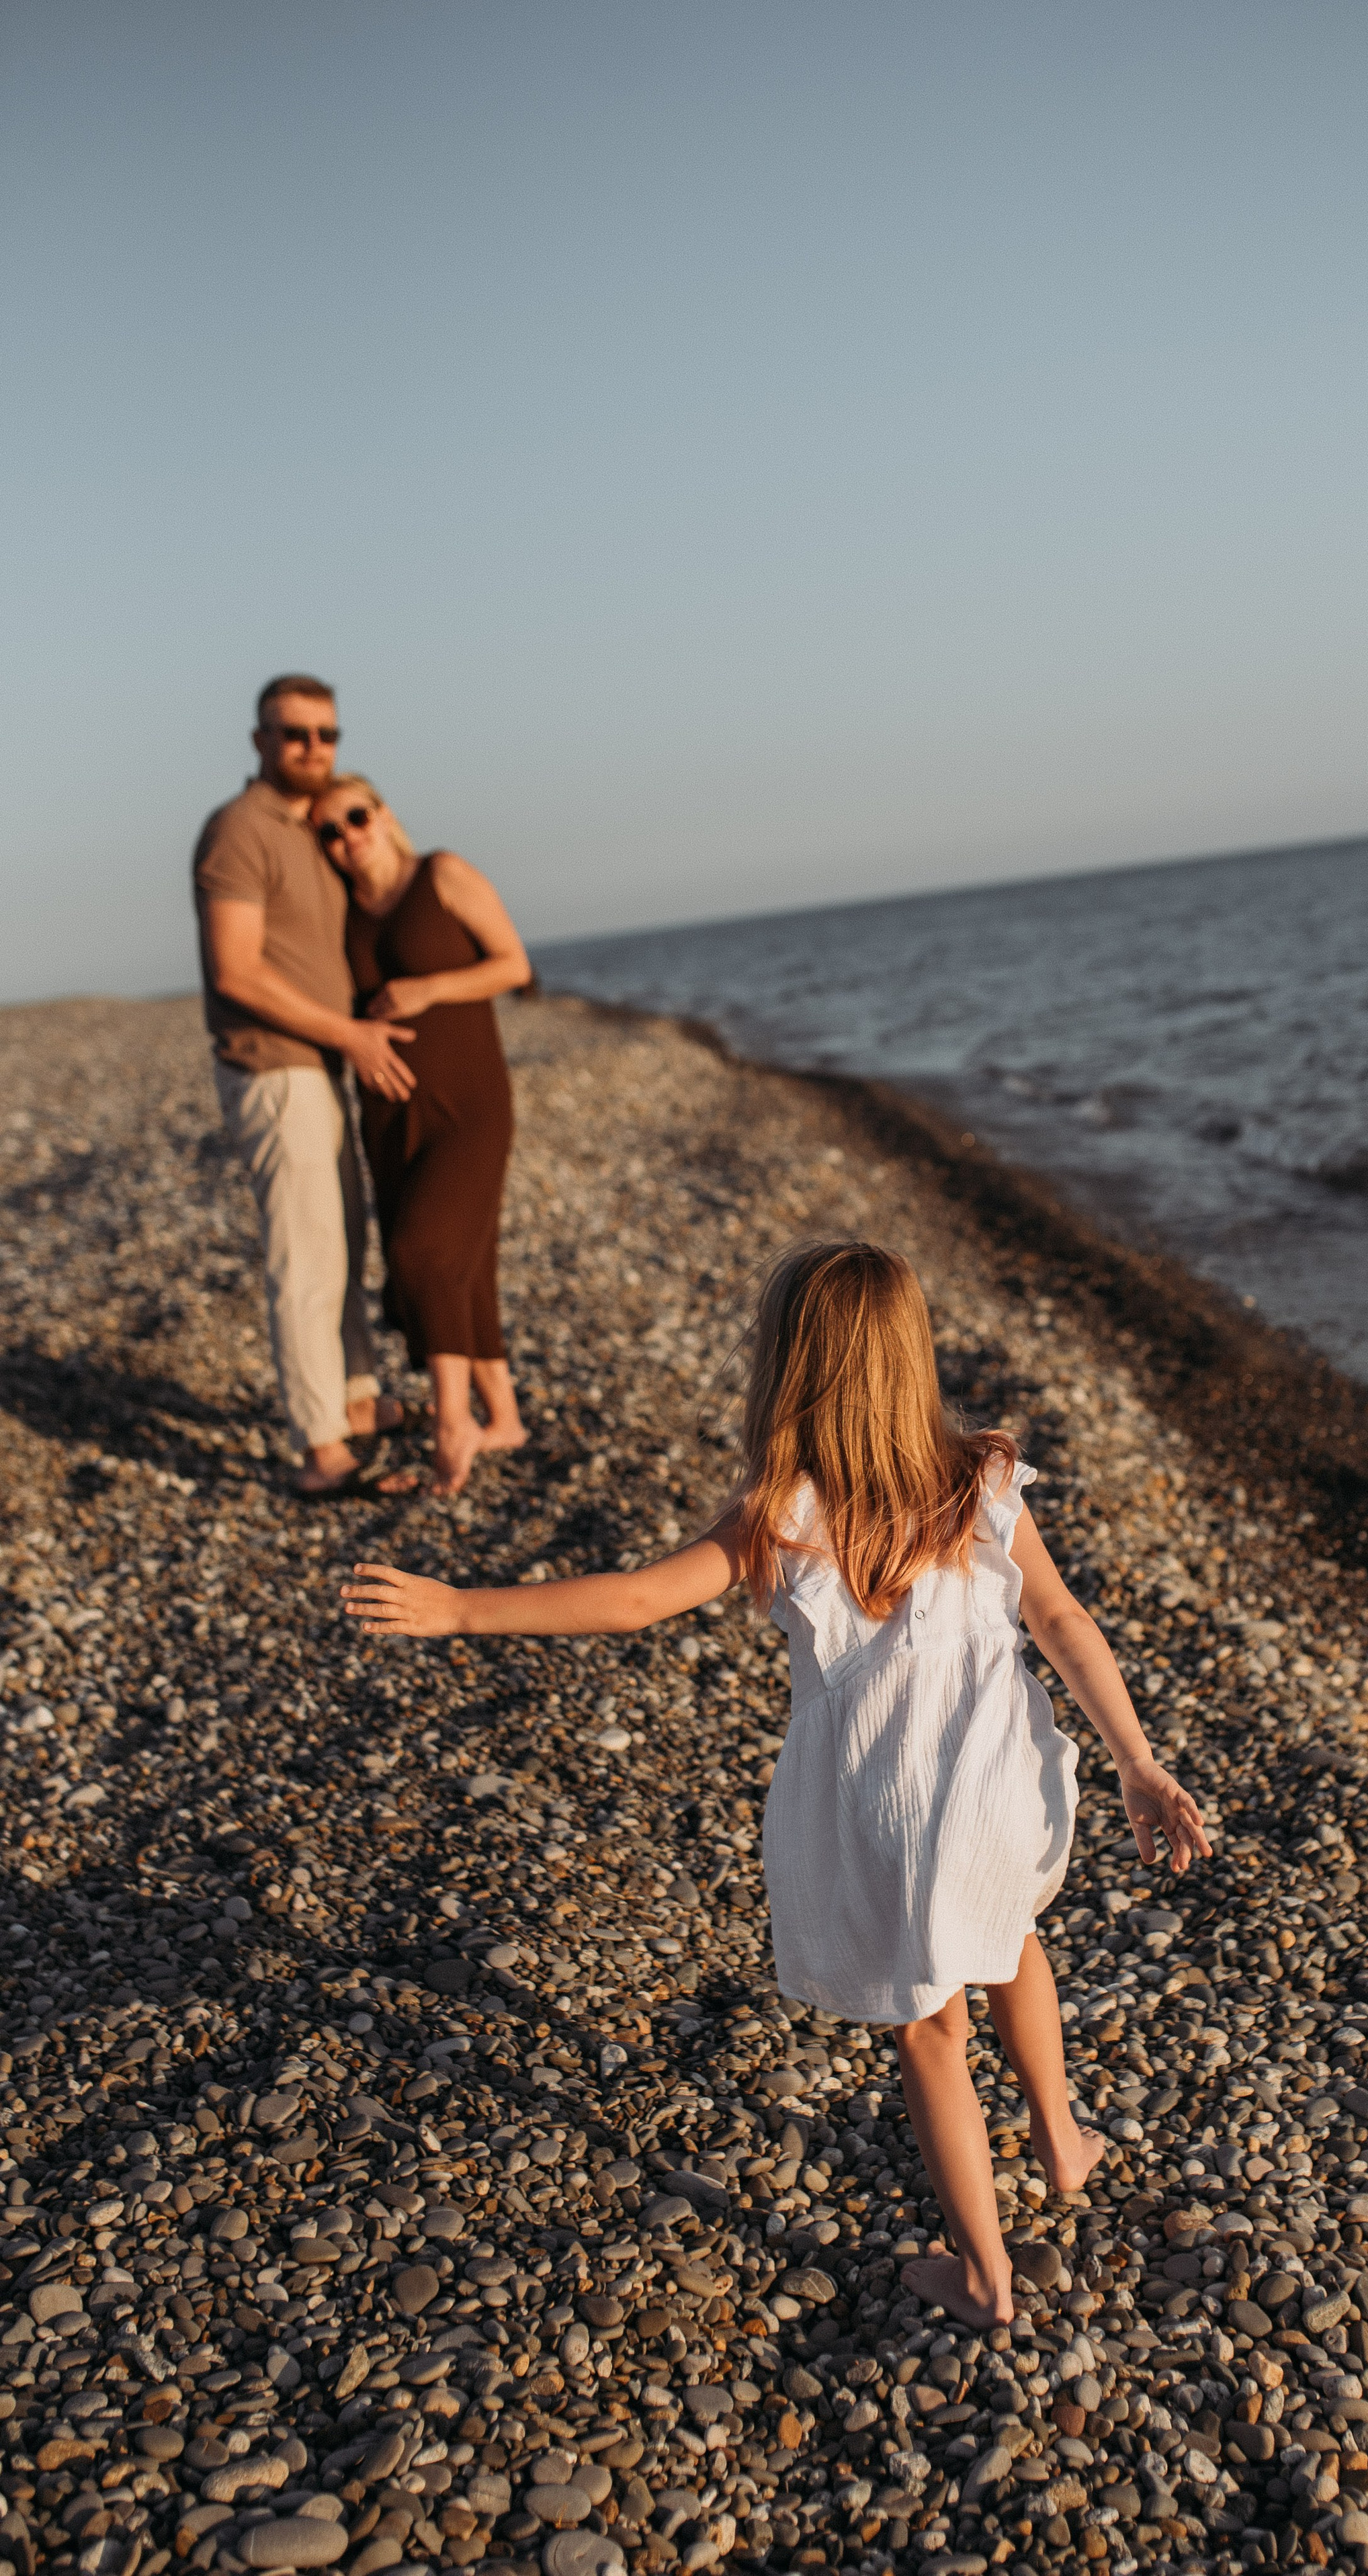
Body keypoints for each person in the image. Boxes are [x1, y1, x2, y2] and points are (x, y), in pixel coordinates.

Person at [339, 1239, 1209, 2327]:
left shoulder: (786, 1514)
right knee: (1013, 1937)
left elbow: (635, 1599)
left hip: (890, 1818)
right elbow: (1065, 1621)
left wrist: (464, 1606)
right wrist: (1136, 1757)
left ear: (791, 1367)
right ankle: (1058, 2134)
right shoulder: (981, 1474)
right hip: (1001, 1785)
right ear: (912, 1359)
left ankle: (986, 2275)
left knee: (931, 2030)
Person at [192, 675, 417, 1495]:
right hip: (272, 1067)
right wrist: (352, 1034)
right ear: (259, 741)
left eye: (327, 734)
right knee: (307, 1257)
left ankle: (354, 1401)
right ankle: (321, 1449)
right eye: (294, 735)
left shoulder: (310, 832)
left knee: (346, 1243)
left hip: (319, 1067)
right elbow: (236, 970)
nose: (313, 749)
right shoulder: (238, 831)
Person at [308, 776, 532, 1496]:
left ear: (384, 814)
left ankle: (450, 1421)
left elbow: (514, 965)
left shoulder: (442, 874)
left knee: (423, 1248)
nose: (348, 836)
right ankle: (503, 1416)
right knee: (466, 1261)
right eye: (329, 832)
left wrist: (428, 989)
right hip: (390, 1117)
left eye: (356, 816)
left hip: (469, 1104)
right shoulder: (342, 912)